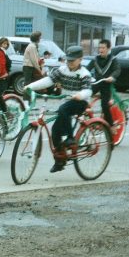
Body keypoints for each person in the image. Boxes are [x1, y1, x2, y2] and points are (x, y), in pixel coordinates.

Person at [25, 45, 93, 173]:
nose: (69, 62)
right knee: (55, 131)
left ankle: (70, 138)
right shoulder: (62, 70)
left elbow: (88, 90)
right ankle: (60, 161)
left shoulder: (85, 74)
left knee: (63, 109)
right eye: (68, 60)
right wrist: (30, 86)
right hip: (66, 102)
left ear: (80, 59)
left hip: (80, 102)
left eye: (72, 60)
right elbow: (49, 80)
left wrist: (80, 95)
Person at [85, 39, 121, 126]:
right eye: (99, 47)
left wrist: (112, 77)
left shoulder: (113, 59)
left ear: (108, 48)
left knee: (105, 105)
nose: (100, 50)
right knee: (84, 96)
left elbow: (117, 70)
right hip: (97, 83)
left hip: (106, 84)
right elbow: (86, 70)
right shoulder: (95, 59)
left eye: (103, 48)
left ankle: (111, 125)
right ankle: (87, 117)